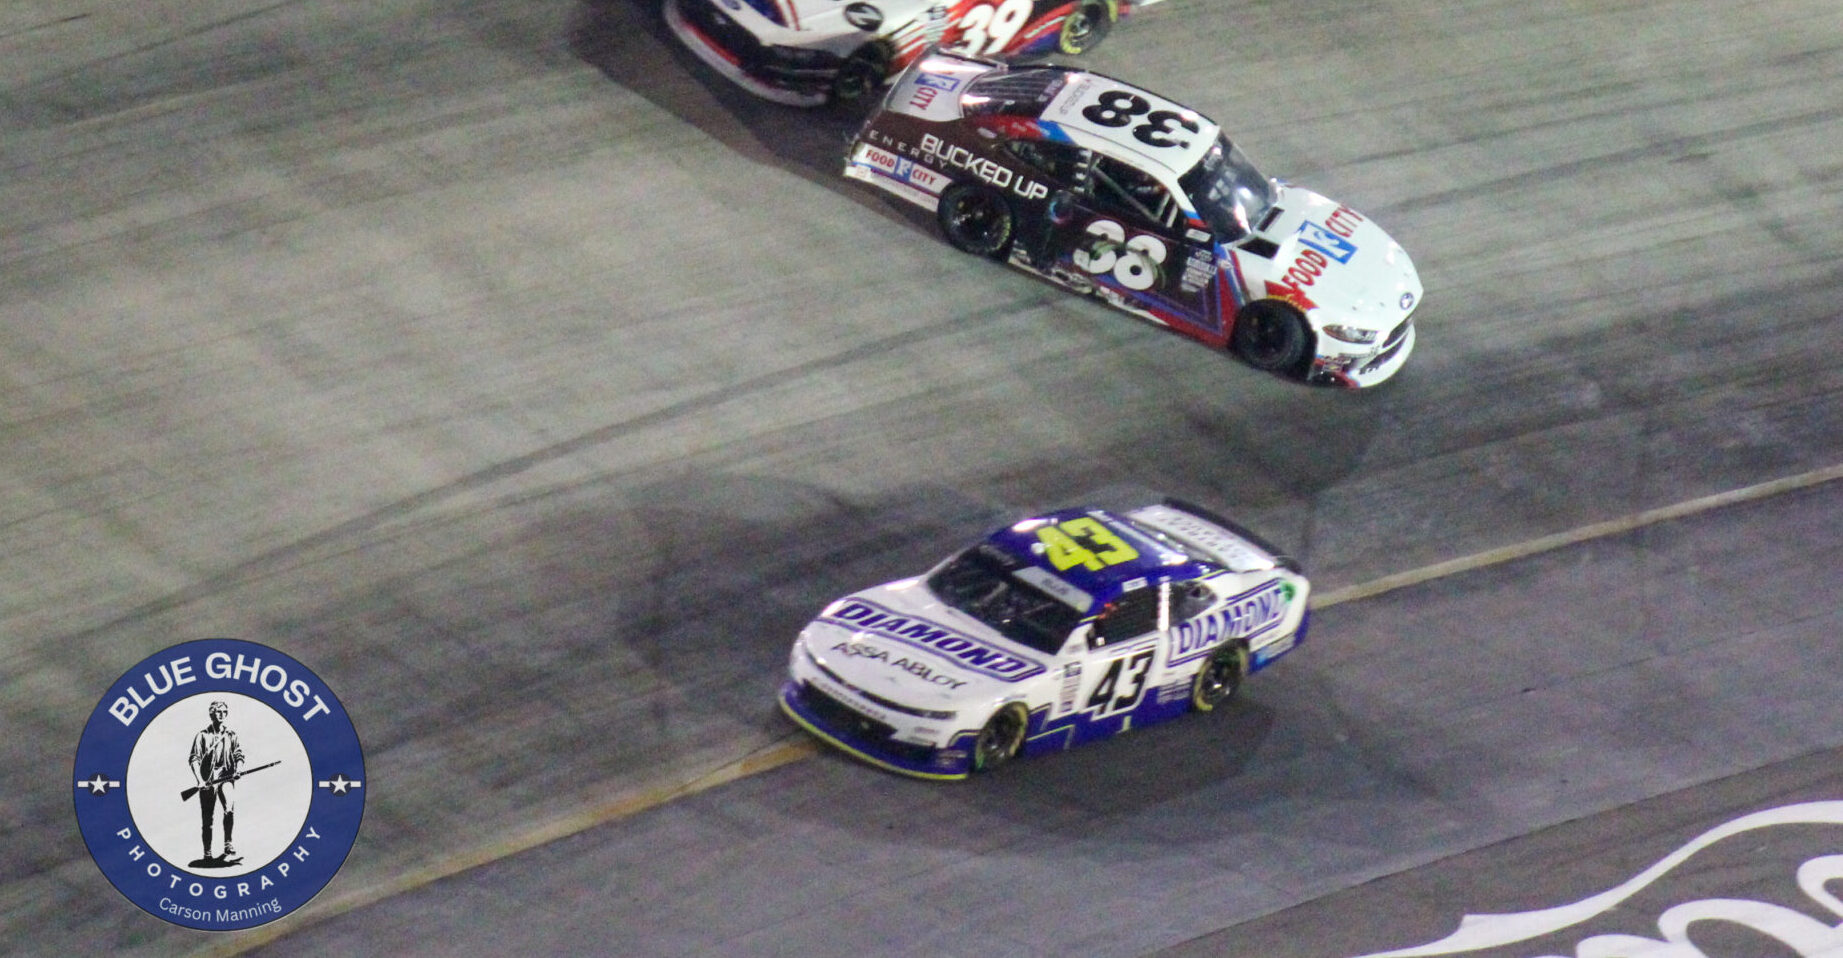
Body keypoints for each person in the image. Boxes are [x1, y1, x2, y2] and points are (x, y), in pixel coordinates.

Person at [189, 700, 245, 861]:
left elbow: (239, 755)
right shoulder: (202, 735)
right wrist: (200, 780)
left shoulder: (231, 735)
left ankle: (228, 843)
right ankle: (207, 853)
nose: (221, 714)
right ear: (211, 714)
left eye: (224, 712)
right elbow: (194, 759)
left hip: (226, 777)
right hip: (207, 780)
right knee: (207, 819)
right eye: (218, 711)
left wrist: (238, 769)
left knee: (229, 809)